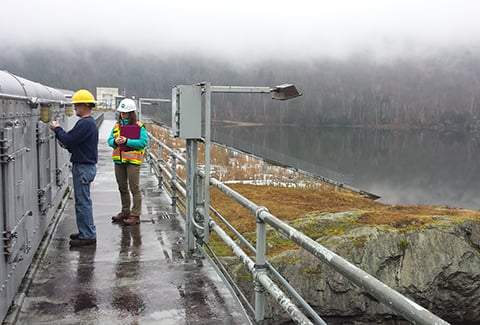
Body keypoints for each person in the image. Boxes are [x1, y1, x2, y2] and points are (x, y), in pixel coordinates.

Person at [50, 89, 99, 247]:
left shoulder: (85, 123)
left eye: (77, 105)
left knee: (83, 202)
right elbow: (76, 144)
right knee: (83, 201)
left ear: (85, 105)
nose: (75, 108)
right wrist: (67, 143)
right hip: (86, 166)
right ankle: (86, 231)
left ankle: (88, 236)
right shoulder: (89, 123)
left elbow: (69, 138)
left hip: (83, 167)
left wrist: (57, 129)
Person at [108, 98, 148, 226]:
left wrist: (127, 141)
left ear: (131, 113)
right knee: (122, 187)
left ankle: (135, 214)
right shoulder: (116, 126)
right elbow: (110, 140)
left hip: (133, 161)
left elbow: (143, 142)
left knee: (134, 188)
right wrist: (115, 142)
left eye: (125, 113)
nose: (123, 115)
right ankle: (125, 211)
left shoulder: (139, 127)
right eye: (121, 112)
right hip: (119, 161)